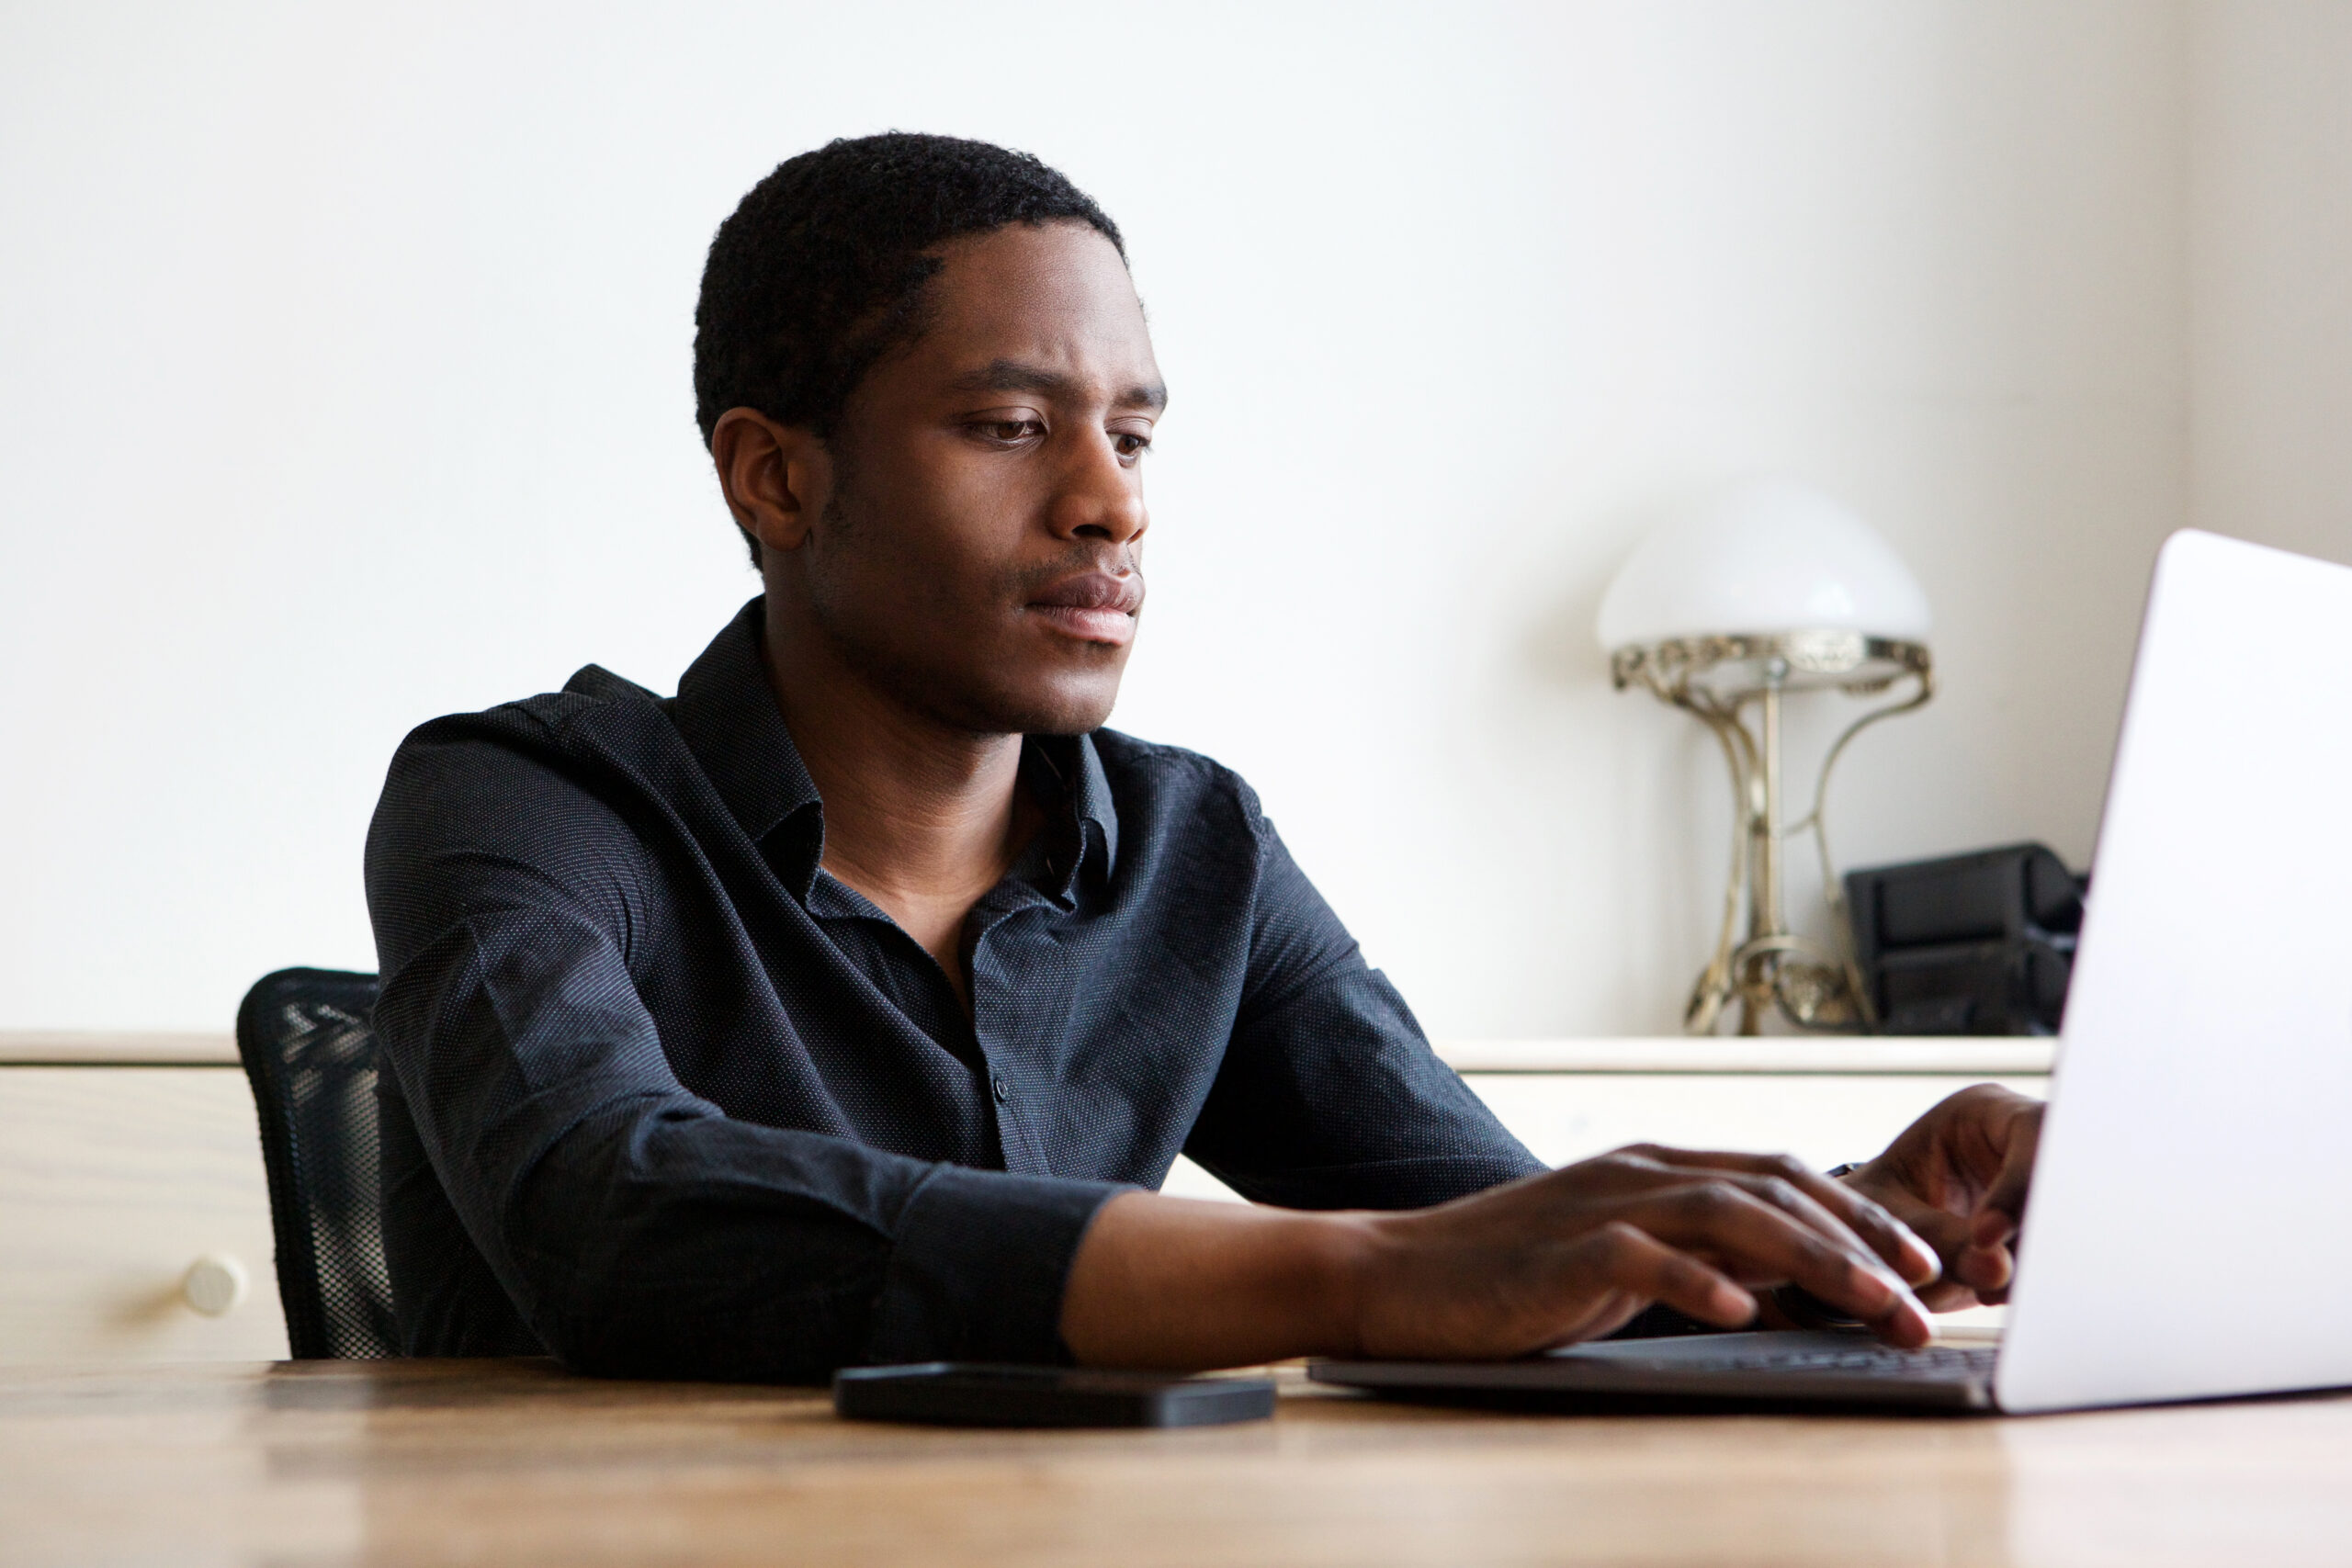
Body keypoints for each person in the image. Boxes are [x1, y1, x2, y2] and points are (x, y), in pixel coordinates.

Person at [365, 132, 2042, 1382]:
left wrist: (1855, 1232)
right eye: (1013, 426)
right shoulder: (526, 804)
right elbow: (611, 1215)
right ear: (776, 480)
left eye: (1135, 431)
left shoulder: (1195, 852)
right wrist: (1351, 1277)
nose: (1114, 501)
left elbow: (1492, 1238)